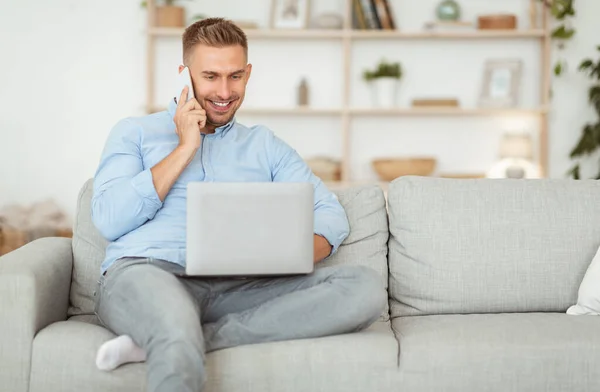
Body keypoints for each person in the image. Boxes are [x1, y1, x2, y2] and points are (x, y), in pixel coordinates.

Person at [91, 17, 386, 392]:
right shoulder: (134, 133)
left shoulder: (264, 145)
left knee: (362, 287)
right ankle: (172, 334)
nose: (224, 91)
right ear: (184, 74)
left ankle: (178, 339)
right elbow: (109, 220)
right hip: (146, 274)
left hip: (238, 286)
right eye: (210, 76)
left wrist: (281, 255)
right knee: (172, 319)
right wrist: (185, 148)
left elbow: (329, 214)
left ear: (248, 74)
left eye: (235, 76)